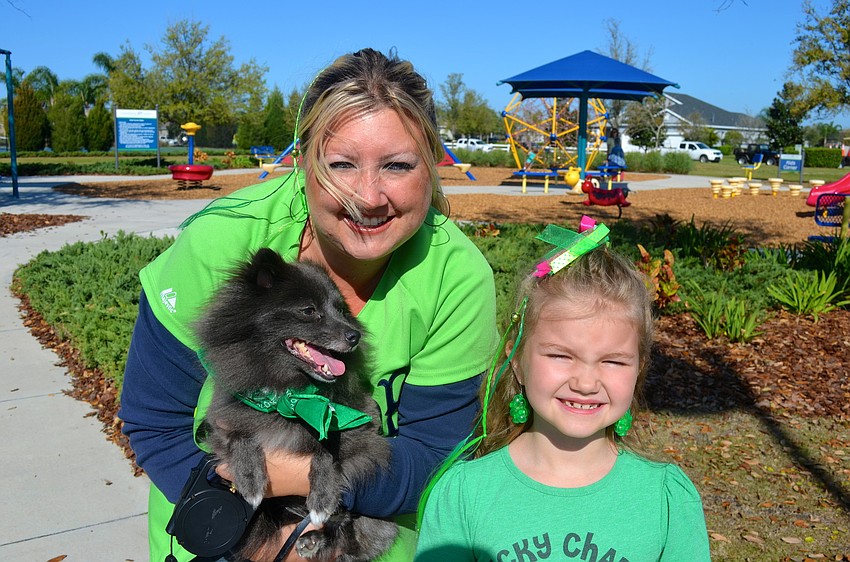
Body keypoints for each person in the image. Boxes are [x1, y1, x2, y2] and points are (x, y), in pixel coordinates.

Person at [118, 48, 499, 562]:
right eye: (341, 163)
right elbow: (154, 421)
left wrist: (315, 485)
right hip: (217, 533)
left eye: (398, 165)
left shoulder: (455, 275)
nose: (368, 196)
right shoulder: (223, 243)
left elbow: (436, 456)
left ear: (432, 167)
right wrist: (252, 538)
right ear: (303, 162)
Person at [414, 220, 711, 561]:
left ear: (640, 367)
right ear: (516, 359)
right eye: (560, 355)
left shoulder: (666, 499)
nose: (585, 383)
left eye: (613, 362)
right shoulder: (463, 493)